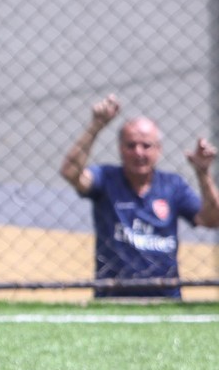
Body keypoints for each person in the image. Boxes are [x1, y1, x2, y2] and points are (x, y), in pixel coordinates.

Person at [60, 93, 219, 298]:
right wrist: (96, 126)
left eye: (146, 145)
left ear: (158, 150)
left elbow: (212, 220)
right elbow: (70, 173)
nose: (138, 152)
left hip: (165, 298)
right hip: (113, 297)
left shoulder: (173, 185)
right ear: (120, 148)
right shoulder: (106, 179)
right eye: (131, 145)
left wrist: (203, 174)